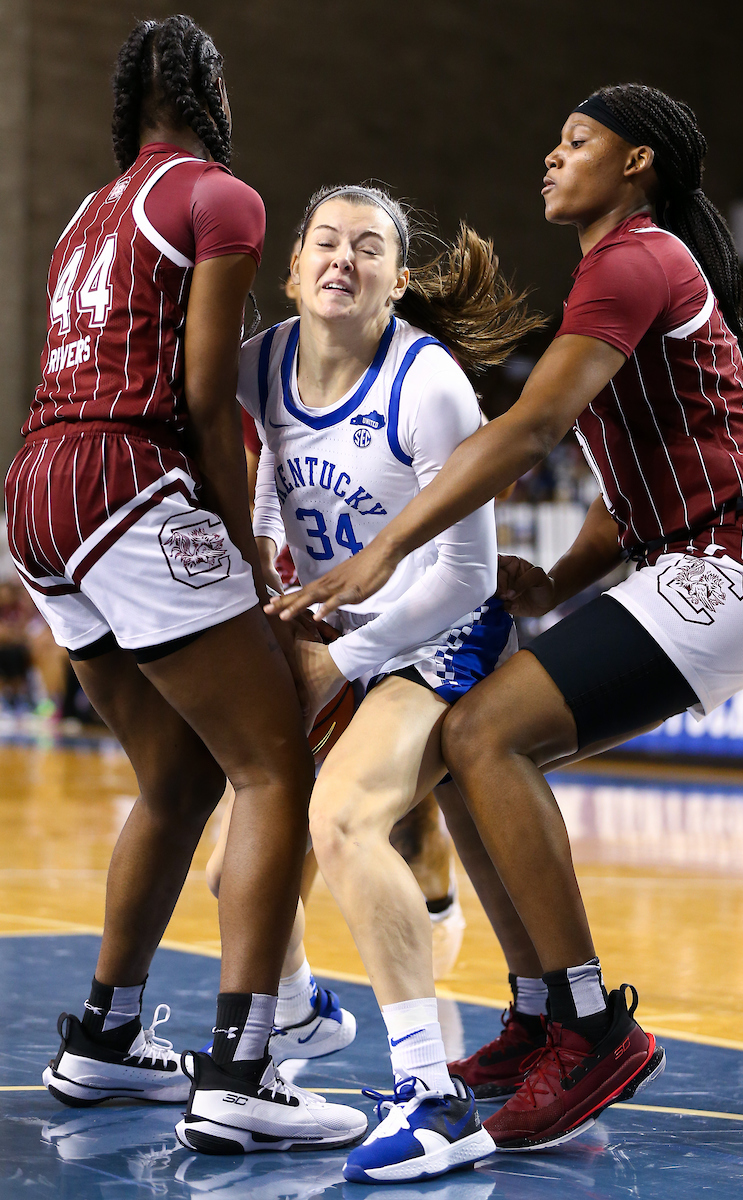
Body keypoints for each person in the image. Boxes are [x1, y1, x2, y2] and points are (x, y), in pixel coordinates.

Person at [274, 84, 743, 1151]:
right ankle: (534, 1015)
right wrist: (560, 578)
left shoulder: (635, 257)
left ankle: (589, 1026)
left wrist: (383, 549)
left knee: (488, 731)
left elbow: (532, 430)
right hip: (694, 551)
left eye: (576, 141)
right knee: (467, 735)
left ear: (636, 162)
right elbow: (633, 482)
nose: (550, 155)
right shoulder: (616, 273)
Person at [3, 15, 365, 1154]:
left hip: (37, 486)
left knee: (176, 778)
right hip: (125, 479)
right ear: (211, 94)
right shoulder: (219, 196)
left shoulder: (86, 213)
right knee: (274, 764)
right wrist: (246, 549)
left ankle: (105, 1040)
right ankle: (245, 1068)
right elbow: (206, 393)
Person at [240, 182, 543, 1182]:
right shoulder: (260, 364)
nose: (343, 258)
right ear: (293, 270)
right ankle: (295, 1019)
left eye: (367, 247)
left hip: (438, 631)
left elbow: (465, 575)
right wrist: (271, 568)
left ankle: (431, 1094)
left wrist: (338, 662)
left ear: (396, 280)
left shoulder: (428, 384)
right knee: (242, 860)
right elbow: (259, 472)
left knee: (342, 821)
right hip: (337, 624)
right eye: (324, 242)